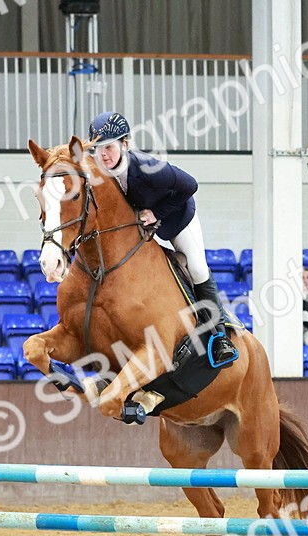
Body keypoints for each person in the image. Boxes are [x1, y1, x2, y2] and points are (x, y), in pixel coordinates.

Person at [87, 111, 239, 369]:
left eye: (109, 148)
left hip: (177, 219)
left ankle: (220, 335)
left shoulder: (149, 168)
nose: (103, 156)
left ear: (125, 144)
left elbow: (190, 185)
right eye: (98, 149)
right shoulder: (102, 175)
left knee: (198, 267)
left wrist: (157, 213)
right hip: (144, 228)